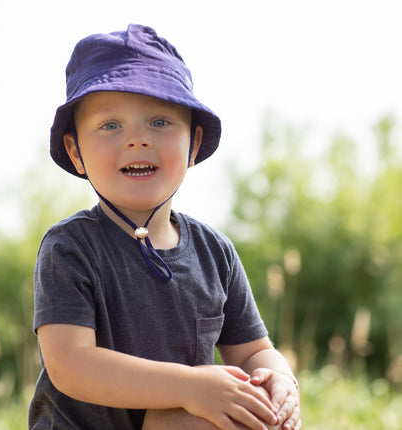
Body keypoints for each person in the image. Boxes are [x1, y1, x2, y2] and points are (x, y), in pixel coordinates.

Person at [28, 24, 301, 430]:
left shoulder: (215, 252)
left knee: (256, 415)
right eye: (110, 125)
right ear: (76, 151)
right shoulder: (70, 247)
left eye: (160, 122)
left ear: (193, 144)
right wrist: (191, 386)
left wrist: (278, 378)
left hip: (173, 421)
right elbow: (71, 364)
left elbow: (251, 352)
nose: (137, 139)